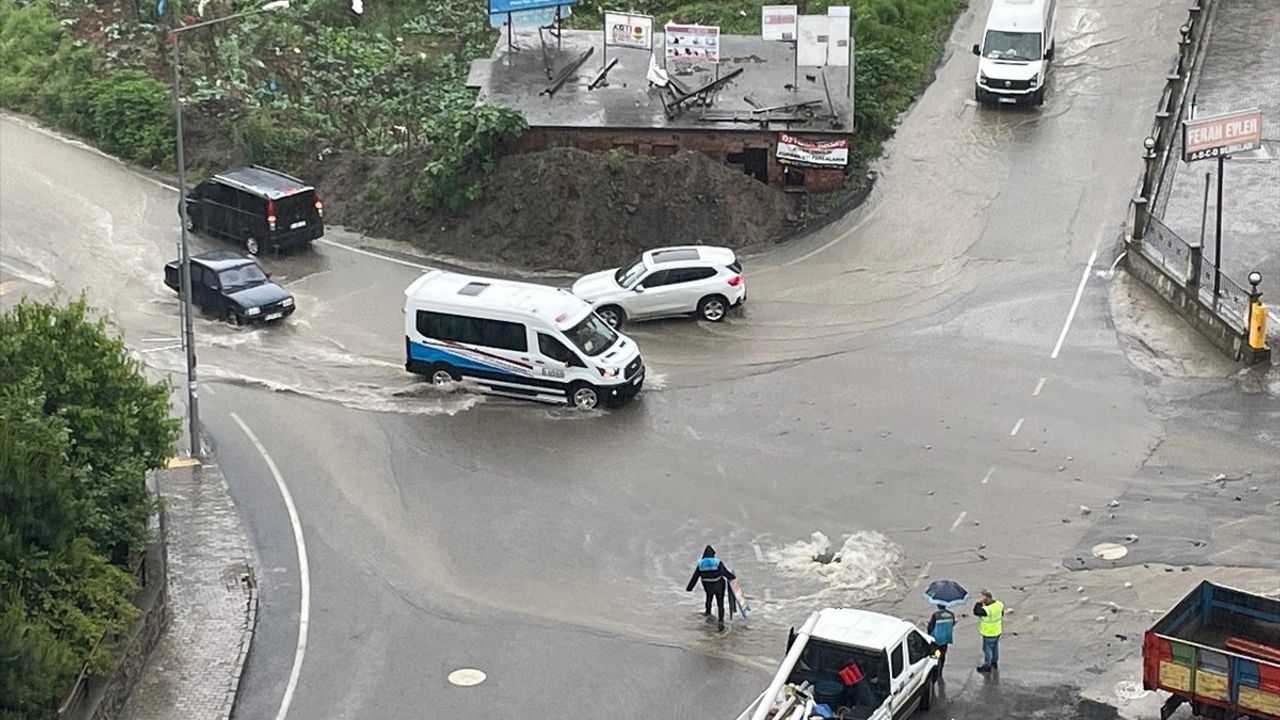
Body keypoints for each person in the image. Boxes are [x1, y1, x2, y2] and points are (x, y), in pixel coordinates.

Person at [685, 545, 735, 631]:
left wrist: (689, 588)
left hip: (708, 586)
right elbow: (725, 572)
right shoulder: (717, 562)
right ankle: (720, 622)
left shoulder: (701, 564)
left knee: (709, 597)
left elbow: (695, 577)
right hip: (719, 586)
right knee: (720, 603)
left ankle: (707, 613)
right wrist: (732, 577)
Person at [973, 589, 1004, 673]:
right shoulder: (999, 604)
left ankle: (987, 665)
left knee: (987, 649)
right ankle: (994, 662)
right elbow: (1002, 613)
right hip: (997, 630)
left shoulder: (987, 610)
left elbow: (976, 611)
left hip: (989, 632)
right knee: (995, 647)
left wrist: (979, 603)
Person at [926, 604, 955, 671]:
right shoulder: (951, 614)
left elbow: (931, 627)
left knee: (935, 653)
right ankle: (941, 667)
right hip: (946, 638)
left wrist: (929, 632)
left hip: (937, 638)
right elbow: (952, 624)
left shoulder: (936, 615)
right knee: (943, 653)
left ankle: (936, 667)